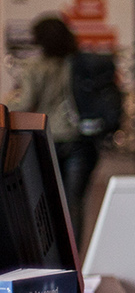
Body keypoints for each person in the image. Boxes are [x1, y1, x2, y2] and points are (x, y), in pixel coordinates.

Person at [9, 16, 111, 222]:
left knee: (48, 199)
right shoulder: (79, 64)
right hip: (80, 138)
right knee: (74, 202)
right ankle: (76, 251)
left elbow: (25, 103)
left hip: (49, 138)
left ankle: (55, 251)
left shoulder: (34, 68)